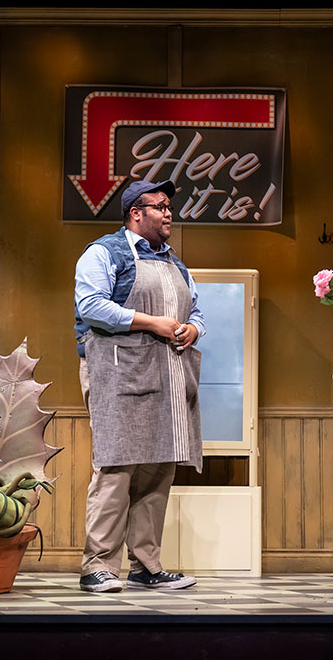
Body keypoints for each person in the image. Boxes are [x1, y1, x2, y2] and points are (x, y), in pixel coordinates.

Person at [73, 179, 205, 593]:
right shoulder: (104, 253)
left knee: (157, 469)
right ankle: (98, 565)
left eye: (170, 207)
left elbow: (197, 308)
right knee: (115, 467)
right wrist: (151, 322)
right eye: (160, 207)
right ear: (136, 213)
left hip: (166, 376)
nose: (169, 214)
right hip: (119, 373)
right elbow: (90, 306)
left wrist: (193, 329)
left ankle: (145, 565)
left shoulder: (175, 262)